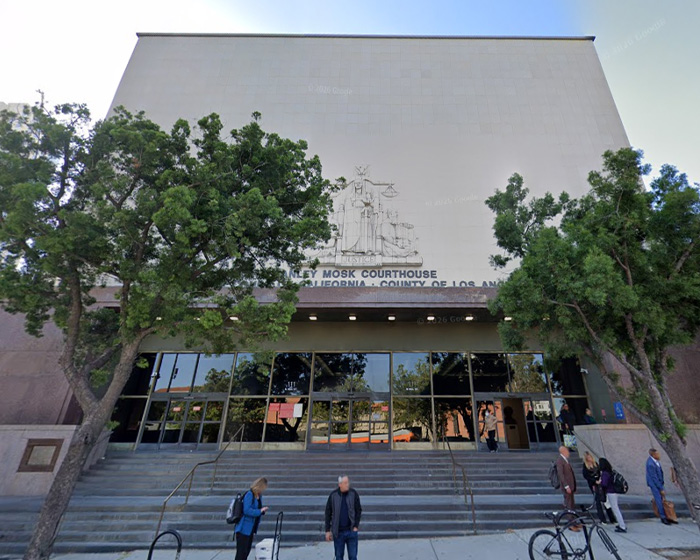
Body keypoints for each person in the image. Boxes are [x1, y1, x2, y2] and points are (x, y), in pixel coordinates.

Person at [325, 474, 362, 560]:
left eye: (348, 482)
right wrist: (327, 530)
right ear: (340, 484)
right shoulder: (333, 496)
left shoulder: (353, 494)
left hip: (351, 531)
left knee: (353, 557)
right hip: (338, 533)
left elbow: (358, 510)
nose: (347, 484)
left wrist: (356, 526)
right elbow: (328, 513)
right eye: (345, 483)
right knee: (339, 556)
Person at [234, 477, 269, 560]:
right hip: (244, 528)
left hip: (251, 528)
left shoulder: (258, 496)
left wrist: (261, 511)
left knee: (246, 551)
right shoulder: (249, 494)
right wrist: (259, 511)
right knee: (241, 553)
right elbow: (246, 510)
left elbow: (256, 509)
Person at [582, 451, 616, 525]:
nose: (589, 458)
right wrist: (594, 481)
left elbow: (601, 472)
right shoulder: (585, 466)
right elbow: (586, 476)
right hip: (594, 485)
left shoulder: (596, 464)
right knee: (598, 501)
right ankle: (603, 519)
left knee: (605, 501)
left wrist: (601, 479)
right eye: (588, 457)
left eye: (590, 457)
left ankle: (612, 519)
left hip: (600, 483)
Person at [647, 448, 676, 525]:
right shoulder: (650, 464)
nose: (659, 455)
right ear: (653, 455)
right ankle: (663, 517)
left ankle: (667, 515)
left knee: (662, 499)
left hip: (659, 483)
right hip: (655, 485)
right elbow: (654, 477)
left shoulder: (656, 462)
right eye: (657, 454)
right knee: (659, 500)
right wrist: (660, 488)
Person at [599, 458, 626, 533]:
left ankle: (622, 526)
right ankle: (621, 524)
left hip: (610, 492)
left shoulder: (605, 473)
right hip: (614, 491)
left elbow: (604, 484)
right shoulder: (610, 471)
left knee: (615, 509)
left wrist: (600, 482)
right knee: (615, 508)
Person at [556, 446, 580, 530]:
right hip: (567, 487)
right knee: (569, 505)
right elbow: (561, 475)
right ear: (563, 452)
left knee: (572, 505)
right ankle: (571, 524)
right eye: (567, 451)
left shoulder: (565, 460)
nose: (568, 453)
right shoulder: (560, 460)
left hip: (571, 486)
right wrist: (566, 486)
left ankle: (574, 521)